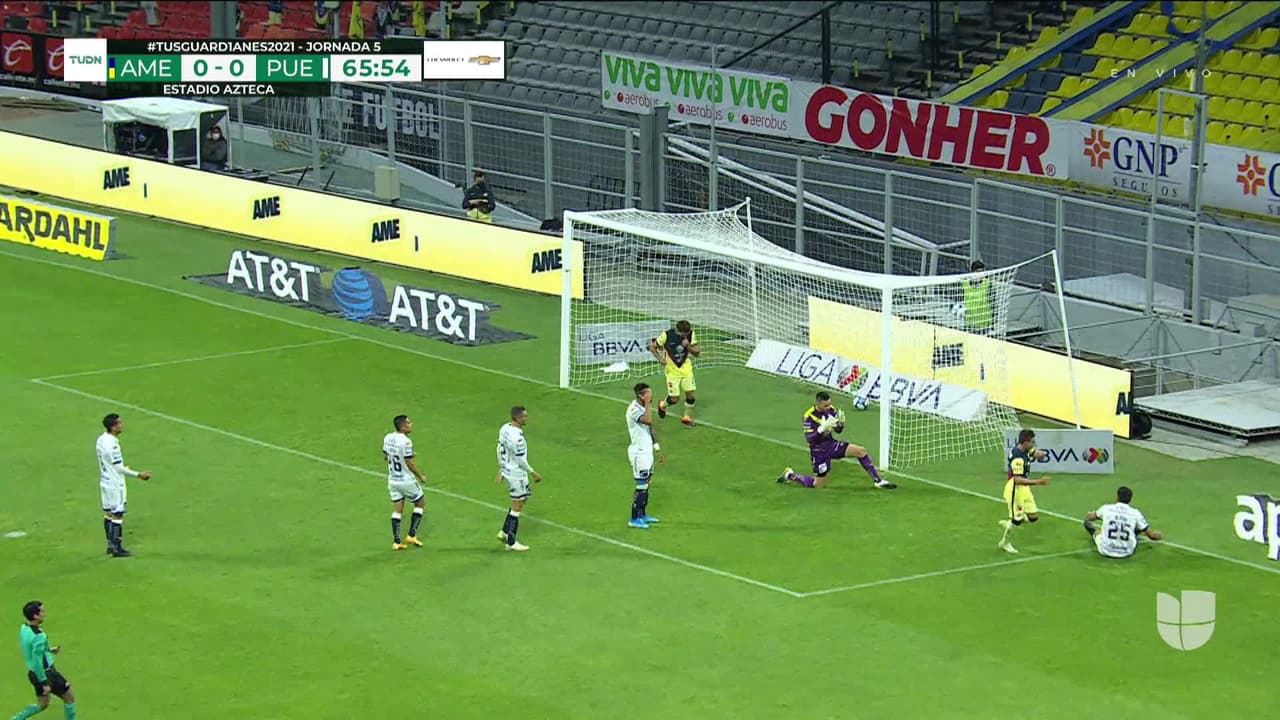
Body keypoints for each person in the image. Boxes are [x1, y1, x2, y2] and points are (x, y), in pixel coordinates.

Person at [777, 391, 896, 490]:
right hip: (819, 451)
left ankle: (878, 481)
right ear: (818, 404)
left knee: (861, 451)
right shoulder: (809, 416)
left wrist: (841, 424)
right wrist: (821, 429)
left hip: (831, 445)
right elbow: (810, 439)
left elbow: (838, 430)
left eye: (829, 404)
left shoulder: (831, 410)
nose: (829, 407)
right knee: (818, 485)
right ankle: (789, 475)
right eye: (826, 406)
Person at [96, 413, 151, 558]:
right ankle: (117, 548)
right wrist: (139, 474)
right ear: (113, 427)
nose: (122, 425)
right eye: (119, 423)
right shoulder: (113, 445)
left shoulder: (101, 439)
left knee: (109, 513)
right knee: (117, 514)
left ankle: (110, 545)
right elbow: (118, 468)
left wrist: (117, 468)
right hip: (115, 484)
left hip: (104, 481)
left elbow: (109, 463)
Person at [11, 601, 76, 720]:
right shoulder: (39, 636)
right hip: (47, 673)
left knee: (42, 704)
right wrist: (45, 682)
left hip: (33, 674)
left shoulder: (24, 628)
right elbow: (37, 661)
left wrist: (49, 650)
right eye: (41, 611)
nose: (44, 613)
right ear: (35, 616)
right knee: (69, 698)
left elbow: (31, 647)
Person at [495, 405, 541, 552]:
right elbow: (521, 461)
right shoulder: (518, 438)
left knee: (523, 498)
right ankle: (511, 542)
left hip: (508, 470)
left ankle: (504, 532)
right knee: (518, 505)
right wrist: (533, 472)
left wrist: (501, 468)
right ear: (518, 418)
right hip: (516, 473)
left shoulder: (504, 428)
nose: (527, 418)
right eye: (524, 416)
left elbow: (499, 449)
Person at [998, 429, 1050, 554]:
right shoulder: (1018, 458)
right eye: (1032, 442)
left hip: (1024, 488)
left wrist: (1037, 454)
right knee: (1017, 521)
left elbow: (1032, 452)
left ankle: (1011, 521)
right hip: (1016, 489)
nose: (1034, 444)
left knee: (1033, 517)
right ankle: (1004, 543)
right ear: (1025, 442)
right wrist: (1038, 482)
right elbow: (1017, 480)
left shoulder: (1022, 448)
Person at [383, 415, 426, 550]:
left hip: (393, 480)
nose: (411, 424)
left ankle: (396, 542)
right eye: (408, 423)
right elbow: (409, 462)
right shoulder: (406, 441)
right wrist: (420, 476)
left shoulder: (388, 437)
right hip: (406, 480)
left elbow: (386, 456)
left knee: (397, 509)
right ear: (403, 427)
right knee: (420, 503)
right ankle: (411, 535)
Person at [1084, 486, 1163, 559]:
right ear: (1130, 499)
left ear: (1117, 497)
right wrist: (1158, 535)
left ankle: (1094, 534)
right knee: (1139, 527)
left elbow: (1090, 517)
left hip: (1105, 550)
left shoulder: (1106, 508)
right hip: (1127, 551)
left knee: (1094, 530)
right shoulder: (1135, 513)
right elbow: (1152, 536)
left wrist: (1092, 514)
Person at [626, 383, 665, 529]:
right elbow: (648, 420)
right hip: (639, 453)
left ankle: (642, 515)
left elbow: (650, 427)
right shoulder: (633, 409)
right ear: (640, 396)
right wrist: (648, 403)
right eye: (648, 394)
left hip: (647, 451)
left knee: (647, 482)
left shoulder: (644, 408)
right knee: (641, 485)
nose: (651, 396)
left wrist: (657, 448)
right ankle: (634, 519)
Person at [649, 320, 700, 426]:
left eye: (686, 334)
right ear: (678, 330)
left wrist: (688, 347)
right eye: (683, 334)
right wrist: (660, 359)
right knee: (674, 398)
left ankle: (687, 417)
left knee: (690, 394)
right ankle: (662, 405)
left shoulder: (691, 334)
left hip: (686, 368)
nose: (684, 336)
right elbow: (652, 347)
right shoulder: (666, 335)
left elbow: (697, 352)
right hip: (672, 370)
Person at [961, 259, 994, 335]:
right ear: (972, 272)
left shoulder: (987, 284)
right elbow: (959, 300)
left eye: (982, 272)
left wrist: (993, 322)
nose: (981, 275)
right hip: (969, 323)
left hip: (984, 324)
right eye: (978, 272)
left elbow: (993, 303)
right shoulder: (965, 284)